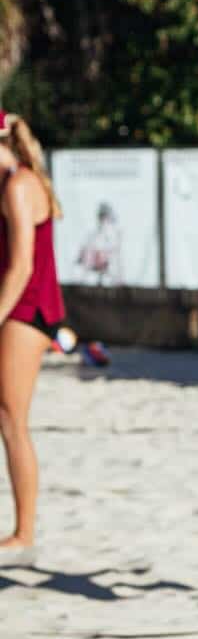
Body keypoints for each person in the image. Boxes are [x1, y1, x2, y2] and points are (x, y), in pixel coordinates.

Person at [0, 111, 65, 561]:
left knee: (12, 419)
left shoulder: (20, 186)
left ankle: (24, 534)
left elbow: (22, 265)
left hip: (27, 311)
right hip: (19, 309)